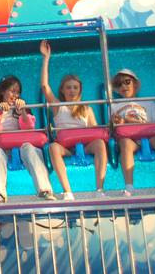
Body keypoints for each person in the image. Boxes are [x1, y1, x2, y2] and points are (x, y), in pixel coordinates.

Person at [40, 41, 108, 200]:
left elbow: (95, 130)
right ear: (62, 90)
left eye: (75, 87)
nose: (72, 90)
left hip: (85, 146)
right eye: (68, 87)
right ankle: (67, 191)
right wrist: (46, 59)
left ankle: (99, 189)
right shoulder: (58, 106)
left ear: (80, 90)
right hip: (66, 147)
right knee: (53, 148)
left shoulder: (87, 109)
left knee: (99, 143)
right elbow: (44, 86)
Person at [0, 75, 54, 204]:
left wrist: (23, 112)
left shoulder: (22, 108)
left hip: (21, 147)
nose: (15, 95)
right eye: (12, 91)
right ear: (3, 91)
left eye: (18, 92)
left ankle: (45, 189)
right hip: (2, 147)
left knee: (30, 148)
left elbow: (29, 128)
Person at [110, 69, 155, 196]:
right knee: (125, 144)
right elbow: (112, 129)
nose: (123, 86)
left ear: (134, 84)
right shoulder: (114, 106)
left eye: (127, 82)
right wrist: (116, 122)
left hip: (150, 137)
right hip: (130, 139)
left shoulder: (149, 103)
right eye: (119, 84)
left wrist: (127, 120)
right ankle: (129, 186)